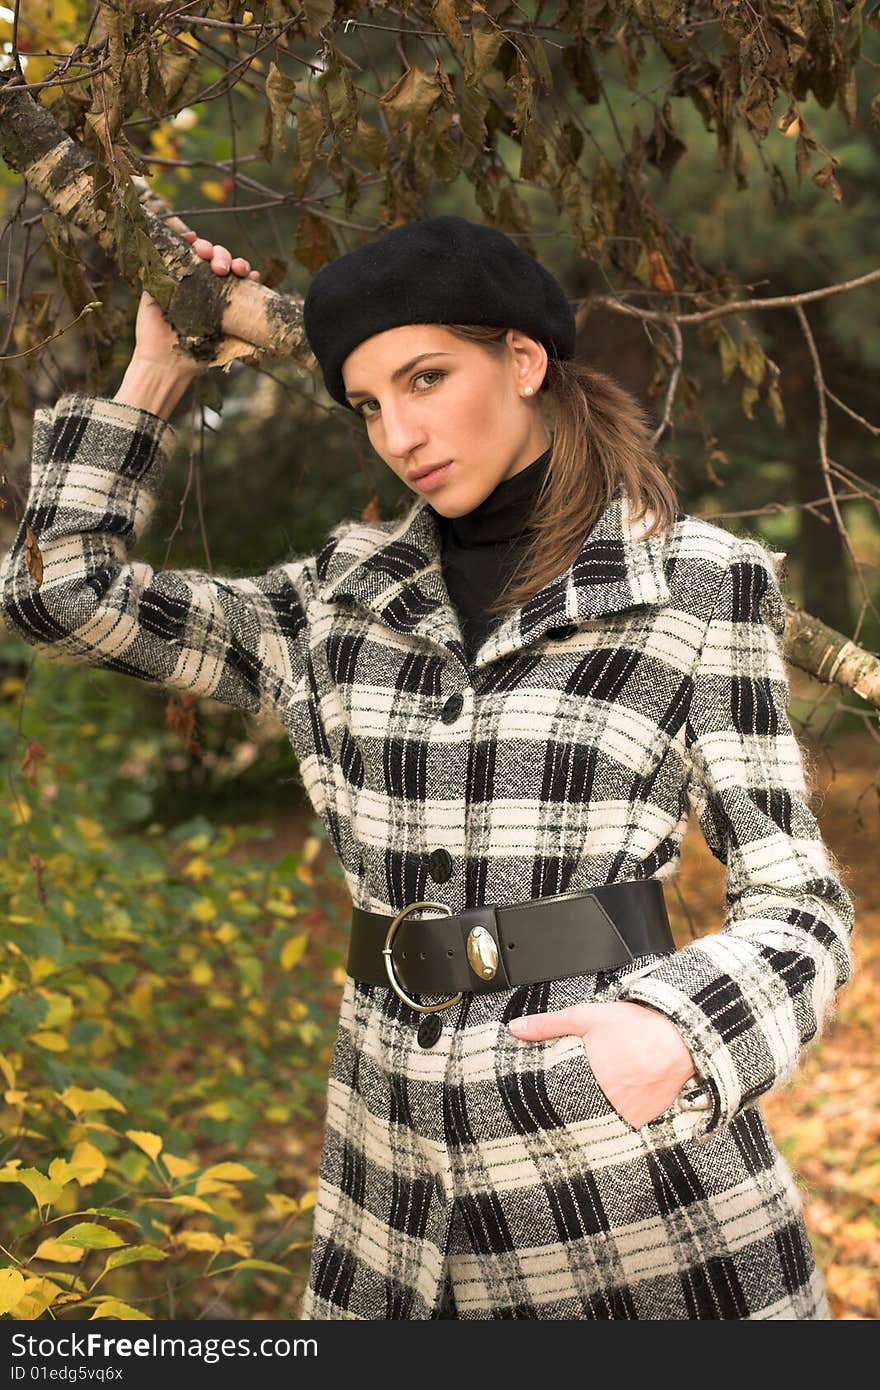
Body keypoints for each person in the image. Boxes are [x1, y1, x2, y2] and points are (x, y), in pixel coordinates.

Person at [0, 216, 855, 1321]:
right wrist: (157, 367)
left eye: (426, 378)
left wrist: (682, 1030)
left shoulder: (695, 586)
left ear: (523, 359)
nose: (399, 431)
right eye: (368, 405)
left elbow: (800, 902)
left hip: (623, 1173)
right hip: (386, 1187)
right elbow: (57, 594)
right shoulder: (331, 609)